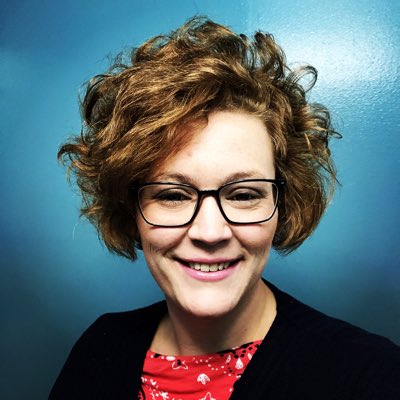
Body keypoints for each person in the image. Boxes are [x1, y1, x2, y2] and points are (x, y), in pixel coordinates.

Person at [49, 17, 400, 400]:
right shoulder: (100, 349)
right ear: (130, 210)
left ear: (283, 205)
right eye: (173, 195)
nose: (210, 232)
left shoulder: (370, 375)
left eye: (244, 195)